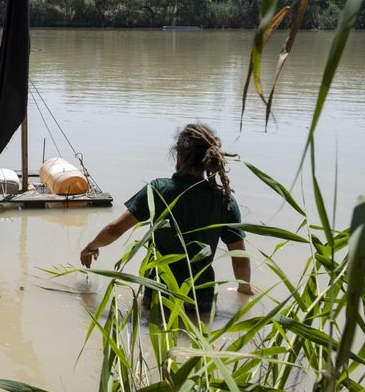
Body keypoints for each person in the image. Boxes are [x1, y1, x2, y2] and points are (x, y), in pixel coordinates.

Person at [80, 123, 253, 314]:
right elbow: (239, 260)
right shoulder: (224, 200)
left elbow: (115, 229)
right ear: (208, 160)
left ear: (178, 154)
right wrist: (244, 290)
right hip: (201, 300)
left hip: (158, 297)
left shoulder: (159, 190)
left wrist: (92, 246)